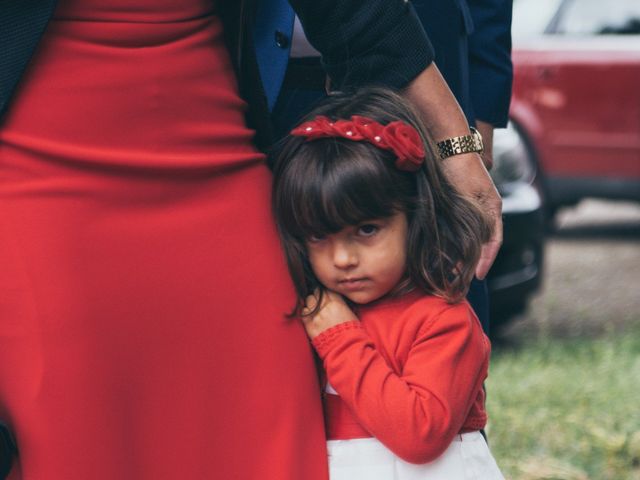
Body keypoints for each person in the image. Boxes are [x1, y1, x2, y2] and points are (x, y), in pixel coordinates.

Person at [0, 1, 499, 479]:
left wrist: (456, 149)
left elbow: (356, 10)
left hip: (217, 168)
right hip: (38, 181)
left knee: (258, 428)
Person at [271, 86, 504, 479]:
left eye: (366, 230)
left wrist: (341, 338)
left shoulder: (443, 321)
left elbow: (419, 435)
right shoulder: (319, 310)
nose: (343, 259)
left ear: (416, 216)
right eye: (318, 236)